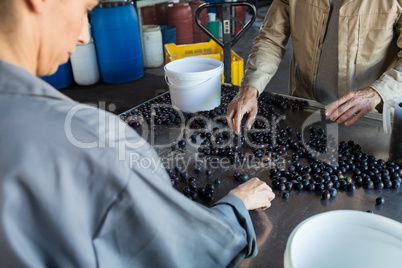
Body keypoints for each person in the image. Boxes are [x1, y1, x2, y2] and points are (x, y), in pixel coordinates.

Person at [0, 0, 275, 267]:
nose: (85, 36)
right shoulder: (96, 140)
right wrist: (236, 207)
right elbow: (186, 249)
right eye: (86, 9)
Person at [227, 0, 402, 134]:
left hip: (369, 118)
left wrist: (377, 92)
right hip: (306, 108)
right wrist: (250, 88)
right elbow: (271, 38)